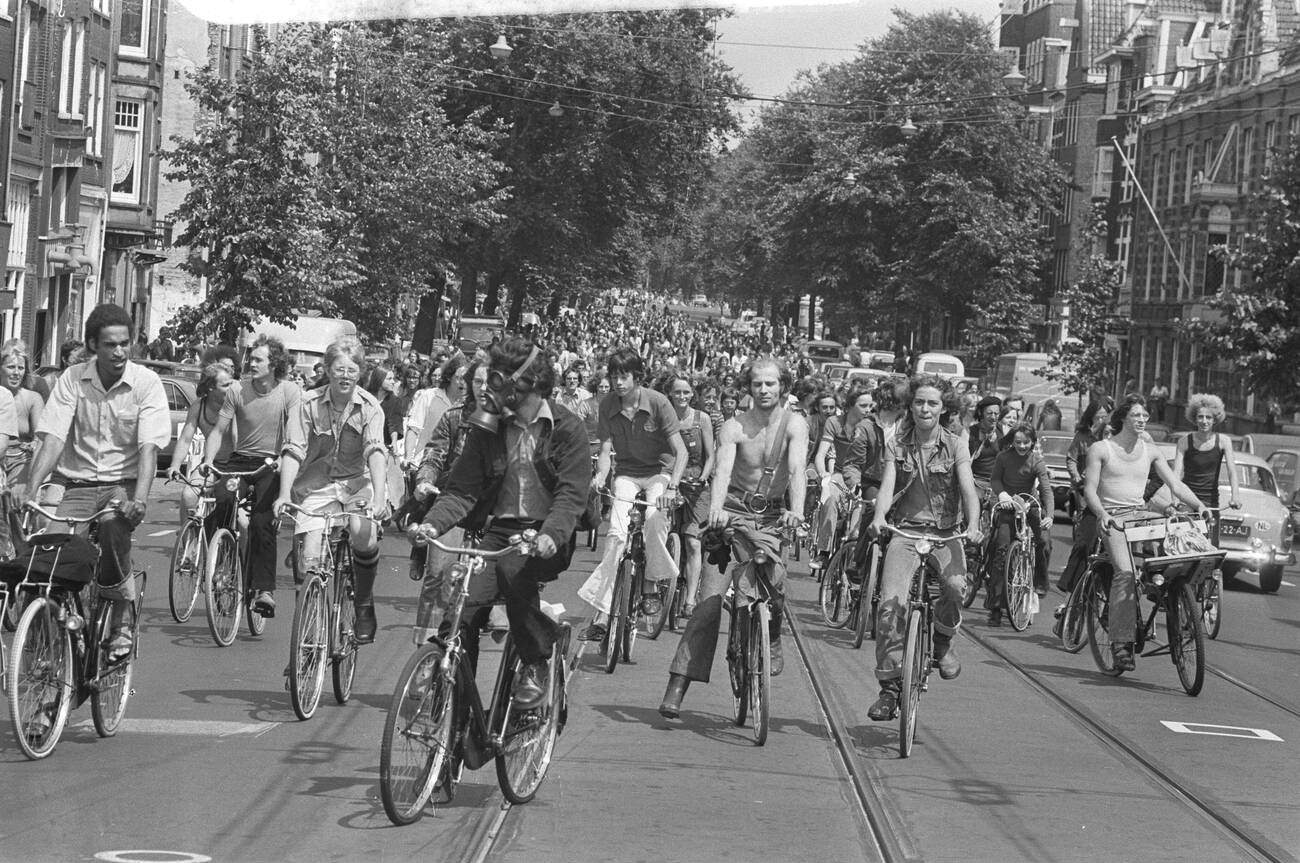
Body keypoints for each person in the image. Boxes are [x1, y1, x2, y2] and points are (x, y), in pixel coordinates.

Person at [410, 338, 591, 708]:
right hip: (502, 531)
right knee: (464, 606)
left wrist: (551, 535)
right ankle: (458, 716)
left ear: (533, 383)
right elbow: (461, 490)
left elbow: (572, 496)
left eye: (502, 377)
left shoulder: (568, 429)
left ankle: (536, 660)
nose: (493, 385)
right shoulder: (488, 428)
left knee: (514, 570)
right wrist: (431, 526)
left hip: (549, 532)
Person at [12, 304, 170, 663]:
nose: (119, 352)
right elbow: (52, 439)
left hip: (122, 485)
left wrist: (140, 500)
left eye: (125, 344)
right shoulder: (71, 379)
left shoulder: (146, 383)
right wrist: (30, 485)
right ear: (92, 346)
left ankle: (121, 616)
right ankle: (46, 645)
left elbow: (148, 448)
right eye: (110, 344)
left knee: (114, 528)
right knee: (51, 551)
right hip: (76, 485)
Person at [659, 358, 808, 718]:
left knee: (776, 587)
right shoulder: (734, 427)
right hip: (733, 514)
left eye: (771, 384)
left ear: (782, 386)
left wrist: (797, 511)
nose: (764, 390)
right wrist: (717, 508)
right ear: (748, 388)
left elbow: (797, 469)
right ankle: (678, 683)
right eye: (757, 384)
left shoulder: (795, 424)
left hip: (773, 518)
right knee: (709, 602)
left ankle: (771, 637)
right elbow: (723, 470)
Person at [865, 375, 982, 721]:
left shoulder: (956, 444)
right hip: (904, 532)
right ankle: (889, 688)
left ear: (943, 408)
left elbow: (968, 489)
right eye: (919, 402)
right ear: (910, 406)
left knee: (955, 587)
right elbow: (887, 486)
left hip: (946, 534)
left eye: (932, 403)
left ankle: (942, 641)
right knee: (889, 607)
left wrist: (973, 526)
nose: (925, 408)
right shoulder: (896, 443)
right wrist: (879, 516)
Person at [274, 337, 390, 643]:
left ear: (360, 373)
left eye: (352, 370)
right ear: (328, 370)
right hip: (318, 485)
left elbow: (375, 451)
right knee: (309, 562)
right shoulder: (307, 403)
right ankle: (307, 638)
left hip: (358, 481)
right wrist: (285, 494)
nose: (346, 375)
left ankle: (363, 603)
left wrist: (378, 497)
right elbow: (293, 449)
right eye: (339, 369)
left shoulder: (370, 407)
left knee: (360, 529)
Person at [1082, 396, 1208, 670]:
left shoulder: (1150, 450)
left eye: (1145, 416)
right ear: (1123, 418)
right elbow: (1090, 490)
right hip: (1113, 519)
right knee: (1125, 573)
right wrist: (1102, 514)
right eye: (1137, 415)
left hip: (1141, 515)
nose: (1142, 420)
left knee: (1181, 546)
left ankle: (1173, 593)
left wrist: (1198, 505)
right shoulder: (1101, 449)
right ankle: (1121, 644)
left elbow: (1175, 484)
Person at [578, 347, 687, 635]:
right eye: (614, 376)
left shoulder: (659, 402)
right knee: (615, 534)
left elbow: (682, 452)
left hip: (658, 474)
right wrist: (601, 475)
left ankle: (651, 585)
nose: (618, 382)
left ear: (637, 377)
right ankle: (602, 616)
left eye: (624, 376)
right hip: (626, 473)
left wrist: (672, 487)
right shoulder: (607, 405)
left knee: (653, 517)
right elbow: (604, 449)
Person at [201, 334, 303, 619]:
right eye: (251, 358)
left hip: (271, 464)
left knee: (262, 521)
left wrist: (287, 455)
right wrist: (209, 461)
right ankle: (220, 562)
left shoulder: (290, 392)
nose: (250, 363)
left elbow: (294, 429)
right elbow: (218, 431)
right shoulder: (237, 390)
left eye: (258, 359)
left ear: (274, 365)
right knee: (222, 498)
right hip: (241, 460)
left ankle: (264, 590)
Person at [404, 360, 487, 643]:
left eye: (491, 382)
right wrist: (425, 479)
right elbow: (434, 455)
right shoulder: (453, 417)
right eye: (478, 382)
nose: (484, 388)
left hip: (490, 509)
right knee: (438, 574)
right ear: (469, 384)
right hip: (453, 502)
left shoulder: (508, 420)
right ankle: (426, 649)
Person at [660, 373, 716, 618]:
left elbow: (711, 456)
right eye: (677, 392)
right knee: (660, 532)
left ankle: (690, 598)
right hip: (669, 482)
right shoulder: (662, 418)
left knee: (694, 542)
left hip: (696, 485)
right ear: (670, 394)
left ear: (692, 395)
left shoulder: (701, 418)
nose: (681, 397)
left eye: (686, 392)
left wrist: (703, 477)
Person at [988, 424, 1054, 624]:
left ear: (1033, 442)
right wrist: (1002, 494)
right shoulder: (1003, 458)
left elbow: (1046, 490)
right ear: (1012, 441)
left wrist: (1049, 515)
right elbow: (995, 479)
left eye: (1026, 442)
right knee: (1001, 549)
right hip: (1008, 505)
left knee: (1044, 541)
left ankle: (1040, 581)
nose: (1022, 446)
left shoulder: (1037, 461)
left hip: (1029, 504)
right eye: (1018, 442)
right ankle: (996, 607)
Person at [812, 385, 873, 567]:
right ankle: (823, 551)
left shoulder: (872, 427)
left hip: (864, 478)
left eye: (871, 406)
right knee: (829, 500)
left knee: (861, 509)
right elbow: (821, 454)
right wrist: (824, 474)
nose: (868, 410)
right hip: (839, 475)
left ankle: (854, 553)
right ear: (850, 406)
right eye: (863, 406)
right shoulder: (834, 423)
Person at [168, 362, 237, 525]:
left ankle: (240, 549)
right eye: (226, 385)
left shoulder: (236, 404)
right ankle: (187, 542)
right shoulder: (198, 407)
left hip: (235, 466)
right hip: (211, 464)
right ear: (211, 387)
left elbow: (237, 439)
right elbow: (185, 439)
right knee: (188, 495)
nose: (231, 388)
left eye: (231, 383)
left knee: (242, 522)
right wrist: (175, 465)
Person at [1057, 399, 1112, 593]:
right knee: (1085, 529)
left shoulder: (1110, 437)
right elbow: (1071, 459)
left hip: (1105, 491)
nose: (1102, 418)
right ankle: (1078, 574)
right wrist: (1077, 477)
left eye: (1105, 415)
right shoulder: (1082, 436)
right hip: (1084, 488)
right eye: (1099, 415)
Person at [1174, 394, 1241, 521]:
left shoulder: (1224, 441)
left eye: (1208, 417)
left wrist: (1235, 496)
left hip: (1211, 501)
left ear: (1214, 419)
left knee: (1211, 539)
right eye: (1200, 417)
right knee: (1186, 538)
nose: (1204, 421)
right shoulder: (1184, 442)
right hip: (1187, 501)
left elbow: (1232, 471)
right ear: (1195, 418)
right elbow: (1176, 473)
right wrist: (1175, 498)